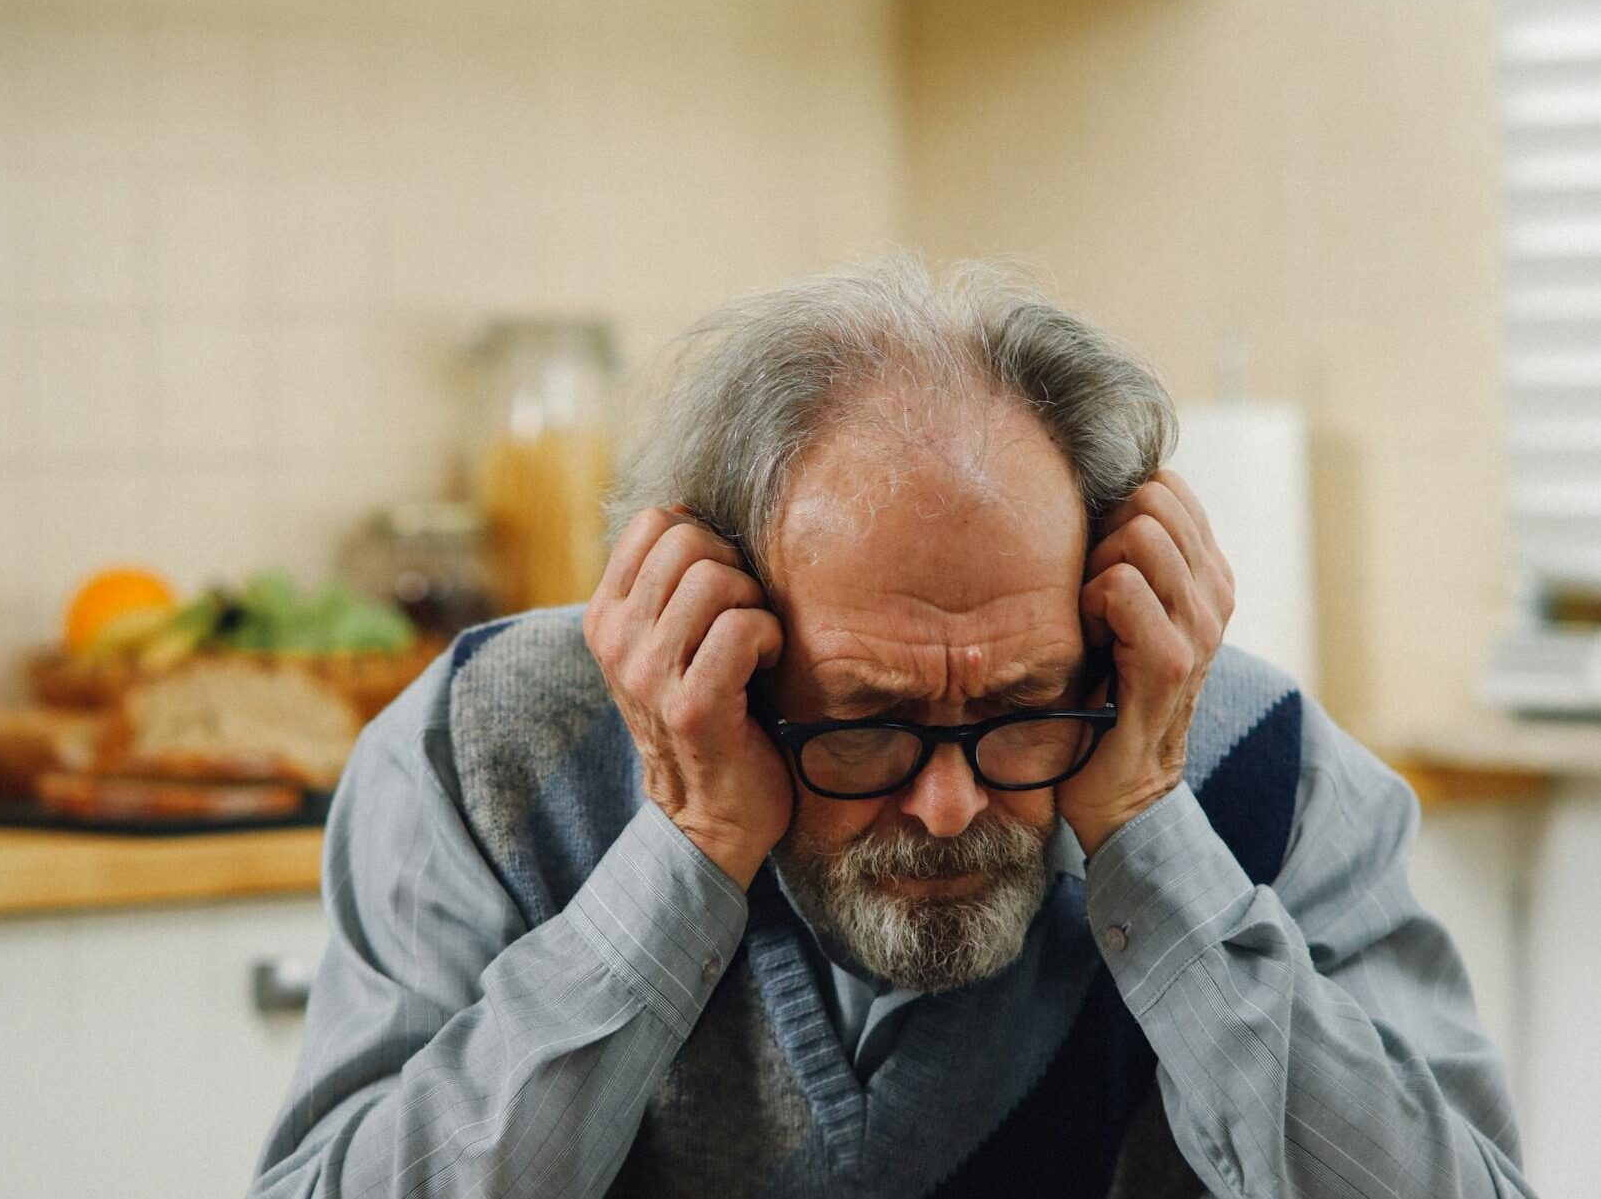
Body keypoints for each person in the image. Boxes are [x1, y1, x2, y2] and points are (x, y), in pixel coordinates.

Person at [250, 255, 1534, 1199]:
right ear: (723, 639)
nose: (948, 805)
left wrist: (1152, 837)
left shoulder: (1259, 767)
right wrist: (684, 857)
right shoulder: (484, 753)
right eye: (864, 722)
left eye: (1023, 708)